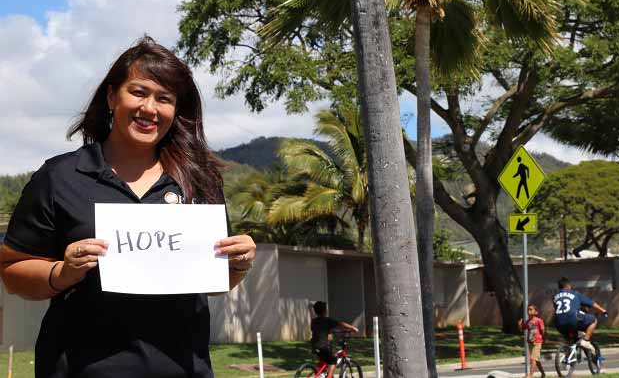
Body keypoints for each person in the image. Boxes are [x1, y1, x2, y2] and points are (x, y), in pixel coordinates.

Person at [0, 37, 256, 377]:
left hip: (183, 369)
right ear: (111, 96)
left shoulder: (200, 180)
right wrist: (62, 272)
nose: (150, 108)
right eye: (138, 92)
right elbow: (12, 272)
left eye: (164, 98)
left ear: (176, 110)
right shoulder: (59, 176)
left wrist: (238, 265)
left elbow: (213, 279)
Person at [552, 277, 607, 355]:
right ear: (568, 286)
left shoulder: (555, 297)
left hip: (559, 323)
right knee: (593, 320)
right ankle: (586, 341)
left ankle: (567, 360)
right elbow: (591, 303)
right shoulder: (575, 294)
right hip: (573, 319)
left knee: (570, 341)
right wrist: (603, 310)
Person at [310, 301, 359, 377]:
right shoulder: (327, 320)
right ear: (325, 311)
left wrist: (331, 334)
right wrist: (352, 328)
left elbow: (320, 331)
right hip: (323, 346)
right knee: (333, 360)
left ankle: (319, 374)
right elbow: (341, 324)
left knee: (323, 360)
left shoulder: (314, 321)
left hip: (314, 346)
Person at [518, 304, 546, 378]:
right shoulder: (528, 321)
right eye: (528, 309)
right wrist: (520, 325)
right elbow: (522, 329)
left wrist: (544, 338)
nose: (528, 311)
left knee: (533, 359)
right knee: (536, 360)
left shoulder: (539, 320)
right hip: (530, 342)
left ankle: (530, 375)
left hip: (537, 342)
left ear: (536, 312)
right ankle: (543, 374)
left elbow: (543, 330)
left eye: (531, 309)